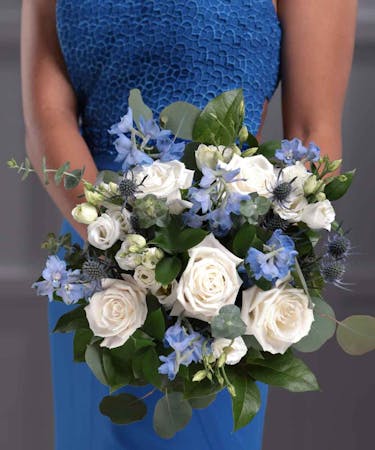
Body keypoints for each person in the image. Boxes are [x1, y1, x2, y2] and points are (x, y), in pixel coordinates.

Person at [21, 1, 357, 449]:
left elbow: (315, 135)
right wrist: (126, 248)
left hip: (217, 273)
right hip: (97, 268)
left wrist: (226, 272)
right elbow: (48, 119)